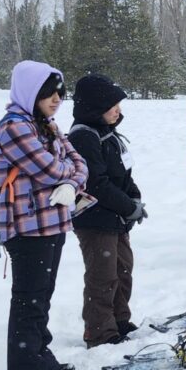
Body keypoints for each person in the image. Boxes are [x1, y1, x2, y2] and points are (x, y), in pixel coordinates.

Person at [0, 61, 88, 370]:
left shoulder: (46, 124)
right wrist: (71, 178)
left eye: (60, 92)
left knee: (41, 296)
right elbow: (49, 170)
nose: (57, 99)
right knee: (28, 298)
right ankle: (24, 367)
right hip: (27, 227)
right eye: (49, 92)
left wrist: (73, 181)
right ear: (30, 92)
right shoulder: (14, 128)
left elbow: (79, 162)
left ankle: (38, 352)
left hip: (53, 222)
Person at [67, 74, 145, 347]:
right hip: (95, 219)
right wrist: (127, 206)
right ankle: (99, 330)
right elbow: (96, 183)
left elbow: (123, 173)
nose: (118, 111)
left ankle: (120, 319)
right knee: (103, 275)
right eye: (112, 105)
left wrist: (134, 198)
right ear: (95, 106)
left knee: (123, 269)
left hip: (116, 217)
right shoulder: (83, 136)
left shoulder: (108, 133)